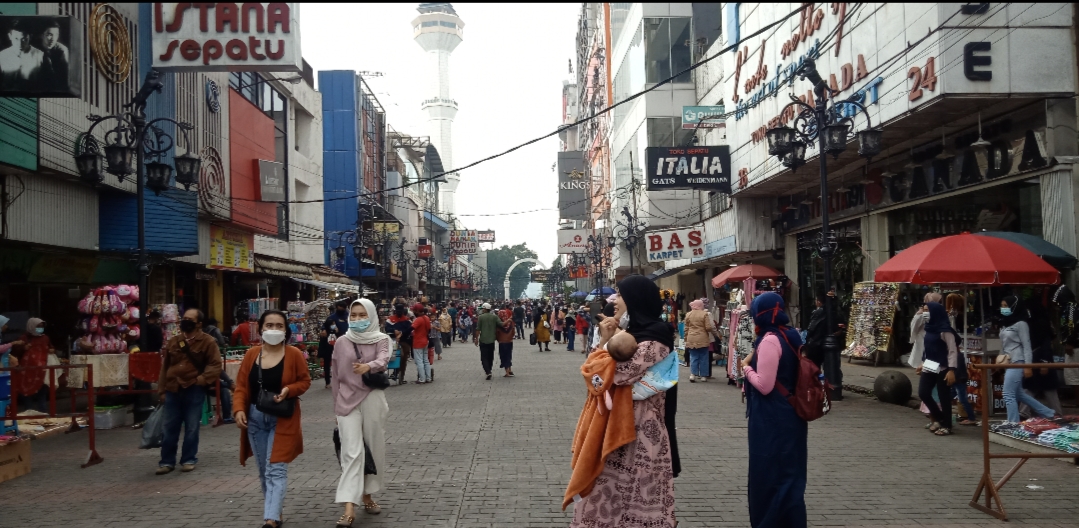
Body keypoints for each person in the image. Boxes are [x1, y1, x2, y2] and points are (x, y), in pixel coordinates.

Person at [570, 275, 676, 528]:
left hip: (641, 428)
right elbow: (595, 378)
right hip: (616, 423)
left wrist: (605, 345)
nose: (614, 301)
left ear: (635, 300)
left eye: (620, 295)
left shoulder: (655, 337)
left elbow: (613, 375)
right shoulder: (631, 335)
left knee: (638, 488)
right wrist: (605, 340)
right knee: (607, 487)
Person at [231, 310, 311, 528]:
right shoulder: (252, 355)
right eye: (269, 325)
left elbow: (304, 381)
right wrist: (238, 410)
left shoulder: (294, 354)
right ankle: (275, 511)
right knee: (264, 470)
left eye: (279, 326)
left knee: (276, 468)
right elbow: (241, 387)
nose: (274, 329)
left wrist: (288, 390)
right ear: (261, 328)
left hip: (283, 418)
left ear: (286, 330)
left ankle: (271, 519)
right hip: (255, 418)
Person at [740, 292, 808, 527]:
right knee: (790, 475)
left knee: (769, 475)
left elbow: (765, 385)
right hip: (790, 415)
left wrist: (746, 368)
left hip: (772, 418)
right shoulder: (790, 334)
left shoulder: (770, 340)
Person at [332, 299, 391, 526]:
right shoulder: (341, 342)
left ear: (372, 316)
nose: (357, 319)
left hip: (372, 398)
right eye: (354, 315)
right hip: (346, 401)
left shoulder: (381, 339)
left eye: (362, 315)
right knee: (351, 452)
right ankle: (349, 506)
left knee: (373, 449)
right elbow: (336, 376)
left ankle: (367, 494)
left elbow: (384, 359)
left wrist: (369, 366)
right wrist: (336, 406)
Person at [156, 308, 223, 474]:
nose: (185, 322)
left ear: (199, 324)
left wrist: (201, 380)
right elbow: (165, 367)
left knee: (192, 426)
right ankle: (166, 462)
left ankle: (188, 459)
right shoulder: (174, 341)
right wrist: (162, 390)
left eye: (190, 319)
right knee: (169, 427)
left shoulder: (207, 342)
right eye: (184, 318)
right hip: (173, 388)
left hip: (193, 389)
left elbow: (215, 365)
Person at [999, 296, 1059, 423]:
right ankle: (1048, 412)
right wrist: (1000, 359)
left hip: (1018, 361)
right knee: (1019, 393)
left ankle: (1013, 423)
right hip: (1009, 361)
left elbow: (1026, 346)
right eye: (1002, 306)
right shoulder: (1005, 323)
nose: (1003, 308)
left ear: (1014, 306)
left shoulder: (1021, 324)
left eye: (1006, 306)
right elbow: (1004, 345)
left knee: (1008, 393)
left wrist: (1028, 366)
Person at [914, 302, 960, 436]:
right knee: (923, 393)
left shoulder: (945, 331)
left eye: (927, 310)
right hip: (929, 365)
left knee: (943, 396)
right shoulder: (928, 328)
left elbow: (952, 351)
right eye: (924, 310)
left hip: (944, 368)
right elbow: (927, 349)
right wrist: (923, 363)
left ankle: (947, 425)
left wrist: (951, 369)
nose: (925, 313)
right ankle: (940, 418)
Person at [10, 317, 52, 412]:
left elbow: (50, 347)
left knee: (42, 397)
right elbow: (15, 352)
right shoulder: (24, 338)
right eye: (38, 326)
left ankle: (43, 416)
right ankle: (28, 415)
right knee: (27, 398)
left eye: (42, 326)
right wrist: (23, 348)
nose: (40, 328)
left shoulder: (45, 338)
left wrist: (51, 350)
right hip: (27, 373)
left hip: (41, 372)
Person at [684, 298, 722, 383]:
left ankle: (693, 374)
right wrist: (716, 334)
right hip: (703, 338)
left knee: (693, 356)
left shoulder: (688, 314)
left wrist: (686, 338)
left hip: (691, 338)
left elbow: (686, 328)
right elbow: (709, 327)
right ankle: (703, 376)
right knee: (704, 357)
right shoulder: (704, 314)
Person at [0, 20, 43, 92]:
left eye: (24, 39)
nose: (20, 44)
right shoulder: (1, 56)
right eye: (16, 39)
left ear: (30, 37)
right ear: (10, 36)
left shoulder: (41, 56)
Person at [319, 301, 350, 389]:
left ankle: (343, 380)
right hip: (331, 343)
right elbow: (324, 325)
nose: (341, 310)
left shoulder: (349, 317)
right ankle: (327, 381)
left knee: (343, 361)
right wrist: (324, 330)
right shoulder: (332, 317)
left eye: (342, 308)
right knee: (327, 360)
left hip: (345, 342)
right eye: (339, 308)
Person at [474, 303, 500, 380]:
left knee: (484, 357)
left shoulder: (481, 317)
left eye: (483, 308)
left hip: (483, 340)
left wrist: (476, 338)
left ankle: (488, 372)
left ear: (485, 309)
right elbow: (500, 324)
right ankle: (489, 370)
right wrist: (508, 321)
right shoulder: (494, 317)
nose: (482, 310)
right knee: (490, 356)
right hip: (492, 340)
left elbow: (478, 329)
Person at [387, 304, 412, 385]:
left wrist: (401, 333)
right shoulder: (390, 319)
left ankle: (400, 376)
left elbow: (409, 330)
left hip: (404, 341)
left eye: (400, 311)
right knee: (396, 357)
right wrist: (394, 331)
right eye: (398, 311)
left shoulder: (407, 320)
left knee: (403, 359)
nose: (399, 312)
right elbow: (387, 328)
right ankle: (395, 373)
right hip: (393, 341)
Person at [39, 20, 67, 89]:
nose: (53, 39)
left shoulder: (62, 50)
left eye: (56, 35)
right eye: (49, 35)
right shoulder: (33, 48)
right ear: (42, 35)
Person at [410, 303, 432, 384]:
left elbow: (411, 328)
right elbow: (429, 329)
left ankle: (422, 379)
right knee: (426, 360)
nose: (413, 312)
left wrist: (402, 333)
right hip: (425, 341)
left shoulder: (418, 319)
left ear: (417, 311)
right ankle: (428, 378)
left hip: (418, 342)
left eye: (414, 311)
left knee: (419, 361)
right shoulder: (426, 318)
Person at [805, 294, 828, 367]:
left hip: (815, 342)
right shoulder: (827, 311)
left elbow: (812, 327)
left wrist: (807, 338)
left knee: (813, 364)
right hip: (822, 341)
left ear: (818, 302)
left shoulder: (818, 312)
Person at [495, 304, 515, 377]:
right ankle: (509, 369)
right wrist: (510, 338)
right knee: (509, 355)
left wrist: (498, 339)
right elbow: (513, 332)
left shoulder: (499, 325)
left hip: (502, 342)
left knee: (504, 356)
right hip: (509, 341)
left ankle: (507, 372)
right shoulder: (510, 323)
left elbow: (496, 333)